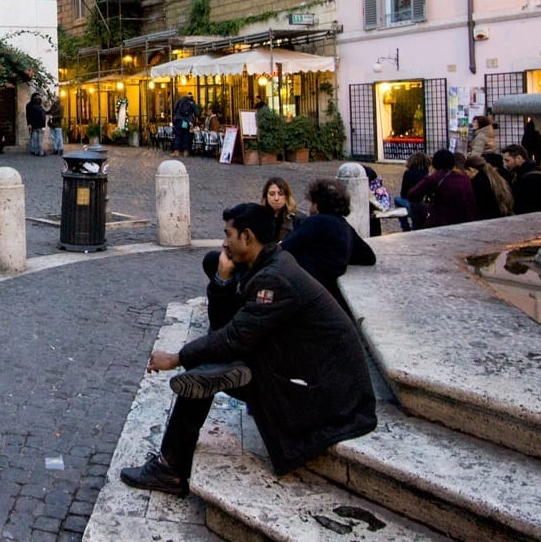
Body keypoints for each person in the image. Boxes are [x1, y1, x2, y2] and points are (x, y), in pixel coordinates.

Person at [119, 203, 377, 495]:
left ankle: (170, 468)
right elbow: (223, 326)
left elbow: (234, 336)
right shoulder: (268, 264)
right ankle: (172, 463)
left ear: (247, 236)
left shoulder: (275, 278)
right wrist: (223, 279)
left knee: (203, 369)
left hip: (331, 398)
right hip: (310, 373)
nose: (224, 242)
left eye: (228, 235)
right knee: (209, 361)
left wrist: (177, 357)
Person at [280, 179, 376, 309]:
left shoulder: (316, 222)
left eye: (312, 203)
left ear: (317, 205)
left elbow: (284, 247)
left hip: (306, 287)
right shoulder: (344, 225)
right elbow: (368, 257)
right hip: (329, 290)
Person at [405, 149, 478, 228]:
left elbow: (412, 195)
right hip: (467, 221)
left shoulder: (435, 178)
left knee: (415, 207)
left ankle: (415, 233)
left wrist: (429, 175)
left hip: (444, 223)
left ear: (434, 164)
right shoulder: (464, 178)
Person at [501, 143, 541, 214]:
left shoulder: (530, 178)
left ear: (519, 158)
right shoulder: (534, 173)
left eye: (507, 160)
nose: (505, 165)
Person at [465, 154, 513, 220]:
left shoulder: (478, 183)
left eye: (466, 173)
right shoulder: (493, 177)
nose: (467, 176)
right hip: (500, 215)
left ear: (472, 169)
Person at [260, 177, 307, 242]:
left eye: (281, 194)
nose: (276, 198)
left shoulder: (299, 219)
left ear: (286, 196)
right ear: (266, 196)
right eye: (272, 194)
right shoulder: (257, 216)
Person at [393, 152, 431, 232]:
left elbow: (403, 194)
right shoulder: (427, 173)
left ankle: (405, 226)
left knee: (397, 199)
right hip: (425, 204)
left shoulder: (408, 173)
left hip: (412, 203)